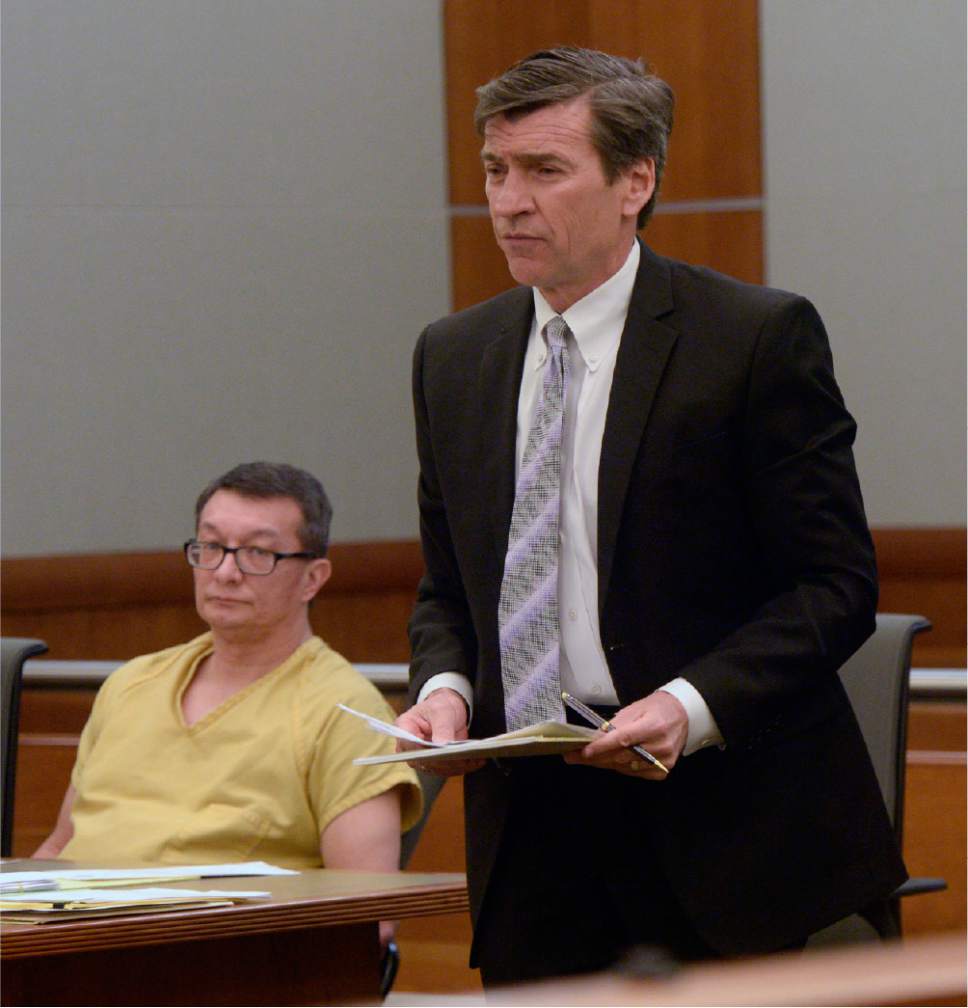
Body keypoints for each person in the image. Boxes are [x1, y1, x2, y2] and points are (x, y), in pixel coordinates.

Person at [396, 47, 906, 986]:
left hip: (725, 828)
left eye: (545, 171)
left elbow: (834, 588)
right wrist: (445, 692)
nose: (508, 201)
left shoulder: (752, 337)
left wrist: (688, 705)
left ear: (637, 180)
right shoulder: (453, 356)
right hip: (533, 840)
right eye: (495, 171)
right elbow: (448, 591)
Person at [36, 461, 421, 946]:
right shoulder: (131, 683)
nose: (225, 572)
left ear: (313, 578)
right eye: (212, 547)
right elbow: (59, 846)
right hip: (64, 950)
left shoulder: (343, 711)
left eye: (258, 553)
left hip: (215, 968)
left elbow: (371, 914)